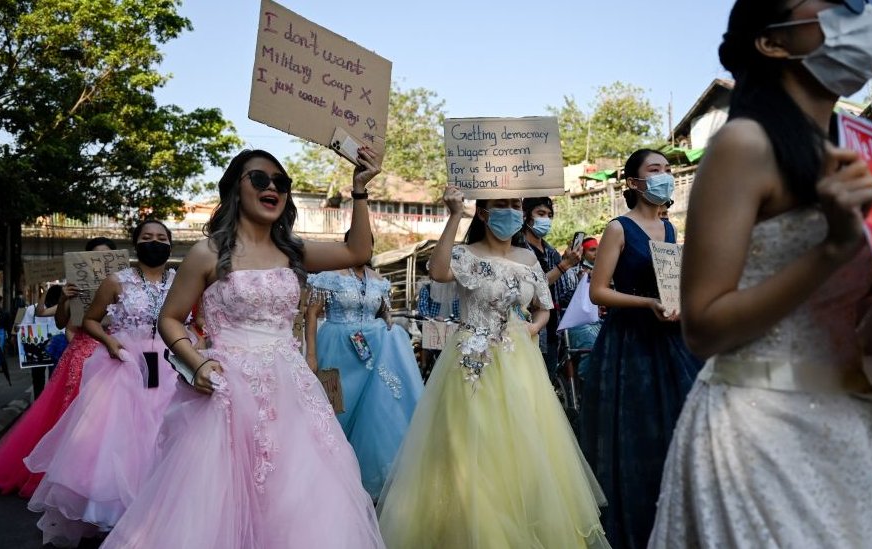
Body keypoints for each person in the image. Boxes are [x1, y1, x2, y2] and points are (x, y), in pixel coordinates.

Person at [649, 1, 872, 547]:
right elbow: (703, 326)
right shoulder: (745, 144)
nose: (860, 13)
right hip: (759, 428)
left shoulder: (855, 152)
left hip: (844, 424)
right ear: (772, 42)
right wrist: (834, 249)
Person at [100, 149, 385, 548]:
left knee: (300, 498)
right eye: (260, 179)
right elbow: (170, 317)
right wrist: (196, 364)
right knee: (219, 504)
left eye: (281, 183)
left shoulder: (293, 251)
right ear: (236, 187)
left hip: (293, 396)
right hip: (228, 394)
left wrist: (359, 191)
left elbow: (358, 252)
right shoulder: (208, 253)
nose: (273, 188)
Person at [377, 187, 609, 548]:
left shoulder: (529, 259)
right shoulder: (466, 254)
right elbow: (438, 272)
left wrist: (532, 327)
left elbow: (543, 307)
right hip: (471, 361)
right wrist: (454, 214)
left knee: (525, 450)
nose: (512, 212)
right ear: (483, 213)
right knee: (471, 448)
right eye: (502, 205)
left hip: (519, 362)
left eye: (516, 205)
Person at [578, 149, 703, 548]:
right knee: (636, 437)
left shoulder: (670, 231)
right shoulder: (618, 228)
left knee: (679, 430)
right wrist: (647, 303)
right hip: (629, 346)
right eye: (655, 170)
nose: (665, 176)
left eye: (668, 170)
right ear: (633, 183)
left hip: (669, 340)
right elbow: (599, 293)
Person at [25, 222, 178, 547]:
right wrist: (109, 344)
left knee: (163, 435)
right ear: (135, 244)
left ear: (171, 244)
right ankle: (118, 513)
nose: (154, 243)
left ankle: (159, 509)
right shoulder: (117, 281)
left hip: (167, 367)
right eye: (147, 238)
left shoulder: (180, 282)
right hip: (123, 364)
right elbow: (91, 319)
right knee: (120, 438)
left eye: (161, 238)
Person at [304, 233, 424, 501]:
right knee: (336, 408)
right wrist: (311, 354)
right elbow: (311, 313)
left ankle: (369, 477)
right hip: (336, 348)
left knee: (378, 408)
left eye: (368, 244)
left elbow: (384, 313)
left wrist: (388, 322)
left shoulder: (379, 280)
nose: (364, 250)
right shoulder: (329, 275)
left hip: (375, 351)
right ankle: (330, 474)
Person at [0, 237, 116, 499]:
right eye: (94, 257)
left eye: (106, 258)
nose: (100, 263)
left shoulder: (125, 287)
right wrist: (63, 299)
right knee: (71, 418)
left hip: (115, 355)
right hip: (82, 358)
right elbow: (65, 324)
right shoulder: (75, 287)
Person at [520, 196, 581, 376]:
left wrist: (573, 270)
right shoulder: (519, 249)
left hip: (552, 328)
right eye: (540, 213)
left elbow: (563, 289)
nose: (545, 219)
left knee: (549, 380)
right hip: (529, 326)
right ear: (525, 216)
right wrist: (564, 266)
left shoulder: (551, 251)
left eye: (549, 215)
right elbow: (531, 287)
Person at [562, 237, 602, 380]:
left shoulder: (602, 270)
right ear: (582, 252)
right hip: (577, 322)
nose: (597, 253)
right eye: (592, 250)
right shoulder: (571, 270)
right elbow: (565, 297)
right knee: (590, 346)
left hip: (597, 320)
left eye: (598, 249)